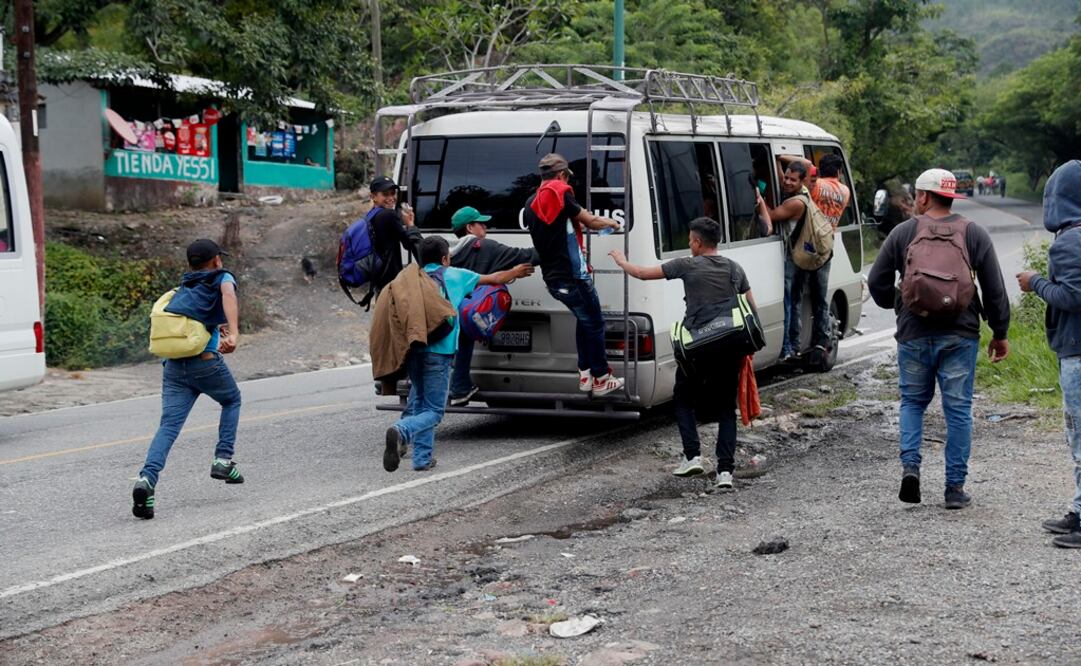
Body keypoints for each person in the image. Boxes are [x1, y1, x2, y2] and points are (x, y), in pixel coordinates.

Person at [868, 168, 1010, 509]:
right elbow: (994, 290)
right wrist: (1000, 332)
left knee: (913, 403)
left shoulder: (904, 232)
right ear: (951, 196)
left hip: (914, 333)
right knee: (958, 410)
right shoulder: (973, 233)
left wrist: (899, 303)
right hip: (960, 334)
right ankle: (954, 489)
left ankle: (911, 468)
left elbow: (876, 281)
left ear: (922, 196)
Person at [609, 217, 755, 490]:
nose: (689, 244)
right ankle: (725, 473)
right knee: (726, 408)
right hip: (729, 346)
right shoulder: (735, 269)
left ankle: (692, 456)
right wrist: (746, 349)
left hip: (697, 346)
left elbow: (642, 273)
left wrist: (621, 261)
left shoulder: (688, 265)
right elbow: (750, 308)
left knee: (683, 399)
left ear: (698, 243)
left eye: (690, 240)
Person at [383, 237, 533, 472]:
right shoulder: (455, 275)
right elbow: (494, 279)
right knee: (434, 410)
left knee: (420, 400)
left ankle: (422, 459)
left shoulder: (409, 279)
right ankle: (402, 430)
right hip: (439, 353)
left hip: (413, 350)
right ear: (445, 258)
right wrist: (516, 271)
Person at [132, 239, 243, 520]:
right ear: (217, 260)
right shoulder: (222, 277)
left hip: (173, 367)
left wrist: (216, 326)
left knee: (168, 426)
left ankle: (147, 480)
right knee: (231, 400)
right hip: (204, 364)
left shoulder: (184, 286)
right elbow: (228, 293)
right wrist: (234, 332)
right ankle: (223, 459)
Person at [1017, 160, 1081, 547]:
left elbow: (1073, 296)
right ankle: (1079, 509)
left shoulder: (1069, 242)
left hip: (1077, 351)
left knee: (1079, 437)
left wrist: (1035, 282)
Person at [525, 153, 624, 396]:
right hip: (573, 276)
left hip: (553, 278)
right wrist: (612, 223)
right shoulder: (561, 193)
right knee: (596, 322)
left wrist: (575, 247)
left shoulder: (530, 203)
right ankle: (602, 377)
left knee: (584, 319)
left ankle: (585, 374)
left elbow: (552, 238)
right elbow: (589, 220)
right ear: (561, 175)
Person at [448, 205, 539, 406]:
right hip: (475, 312)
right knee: (464, 342)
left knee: (460, 345)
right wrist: (559, 246)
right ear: (470, 227)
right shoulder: (485, 247)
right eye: (481, 223)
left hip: (453, 311)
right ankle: (459, 388)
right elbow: (526, 256)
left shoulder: (450, 254)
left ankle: (458, 387)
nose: (485, 227)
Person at [766, 159, 828, 362]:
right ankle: (792, 347)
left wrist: (759, 200)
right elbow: (804, 164)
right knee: (794, 300)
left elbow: (771, 216)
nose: (787, 182)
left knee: (790, 302)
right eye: (786, 177)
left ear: (803, 181)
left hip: (796, 258)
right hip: (802, 255)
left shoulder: (796, 202)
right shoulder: (802, 193)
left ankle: (789, 348)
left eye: (793, 179)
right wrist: (778, 160)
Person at [368, 176, 422, 293]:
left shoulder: (370, 215)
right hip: (391, 279)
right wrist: (410, 224)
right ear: (373, 197)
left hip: (378, 277)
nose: (391, 198)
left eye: (393, 193)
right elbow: (408, 243)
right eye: (385, 194)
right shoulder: (389, 215)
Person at [812, 154, 851, 229]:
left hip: (810, 234)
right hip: (828, 237)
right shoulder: (846, 191)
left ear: (820, 170)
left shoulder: (815, 184)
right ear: (838, 172)